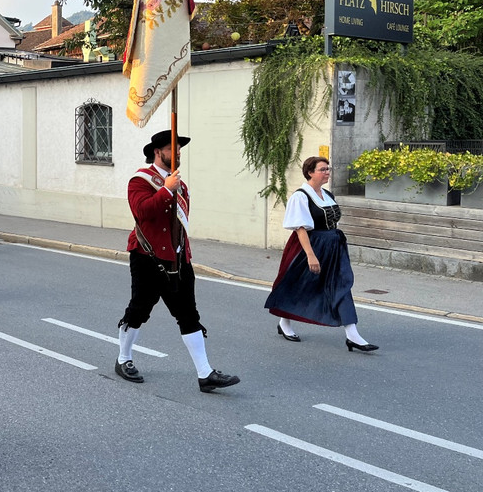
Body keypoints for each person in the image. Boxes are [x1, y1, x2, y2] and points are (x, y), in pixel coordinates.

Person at [115, 130, 240, 392]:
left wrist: (186, 254)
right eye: (174, 148)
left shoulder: (180, 185)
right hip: (147, 257)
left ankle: (205, 374)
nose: (179, 153)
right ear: (158, 152)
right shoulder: (140, 180)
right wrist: (165, 190)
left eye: (180, 148)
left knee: (188, 314)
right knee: (139, 310)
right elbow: (142, 212)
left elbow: (179, 225)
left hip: (178, 259)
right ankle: (123, 358)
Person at [264, 157, 378, 352]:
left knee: (341, 286)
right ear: (310, 172)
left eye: (328, 169)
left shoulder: (326, 194)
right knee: (299, 286)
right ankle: (284, 323)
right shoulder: (300, 197)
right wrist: (310, 255)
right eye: (322, 169)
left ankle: (352, 335)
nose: (327, 172)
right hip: (310, 246)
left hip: (333, 246)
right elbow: (300, 229)